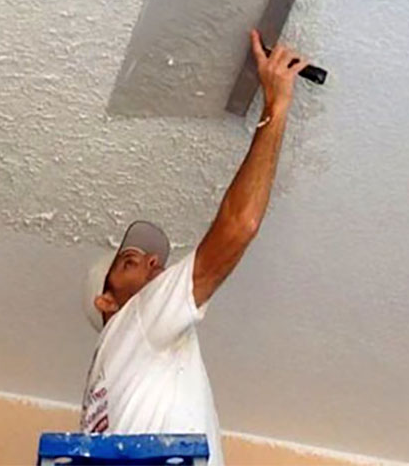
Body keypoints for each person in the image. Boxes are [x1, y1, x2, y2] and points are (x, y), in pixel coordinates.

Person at [80, 29, 310, 464]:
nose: (153, 262)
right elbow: (239, 226)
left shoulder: (106, 378)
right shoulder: (137, 319)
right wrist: (275, 106)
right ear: (107, 301)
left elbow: (239, 227)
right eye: (130, 262)